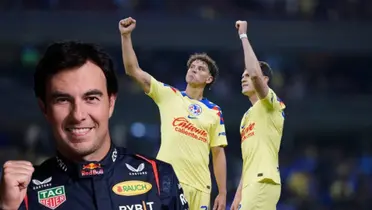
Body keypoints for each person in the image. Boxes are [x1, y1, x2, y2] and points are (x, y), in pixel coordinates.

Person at [0, 41, 189, 210]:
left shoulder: (158, 177)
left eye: (91, 98)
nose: (78, 115)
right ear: (44, 109)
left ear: (111, 103)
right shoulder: (22, 192)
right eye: (63, 100)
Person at [119, 17, 228, 210]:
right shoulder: (169, 95)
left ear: (209, 79)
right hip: (168, 181)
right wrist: (125, 36)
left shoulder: (214, 111)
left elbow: (218, 153)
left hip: (201, 186)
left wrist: (222, 191)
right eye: (192, 67)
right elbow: (132, 70)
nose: (194, 69)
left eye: (201, 69)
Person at [230, 21, 286, 210]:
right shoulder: (246, 117)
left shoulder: (271, 104)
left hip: (264, 181)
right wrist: (237, 197)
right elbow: (248, 162)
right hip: (250, 185)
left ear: (265, 80)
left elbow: (255, 74)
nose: (243, 77)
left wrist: (243, 36)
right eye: (242, 75)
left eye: (248, 75)